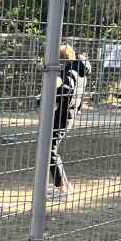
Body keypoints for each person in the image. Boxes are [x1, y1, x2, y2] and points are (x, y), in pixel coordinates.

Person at [50, 44, 91, 200]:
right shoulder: (80, 72)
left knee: (50, 153)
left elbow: (66, 90)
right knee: (52, 151)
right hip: (68, 115)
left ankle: (62, 189)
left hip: (62, 116)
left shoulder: (71, 71)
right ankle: (66, 186)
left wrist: (49, 96)